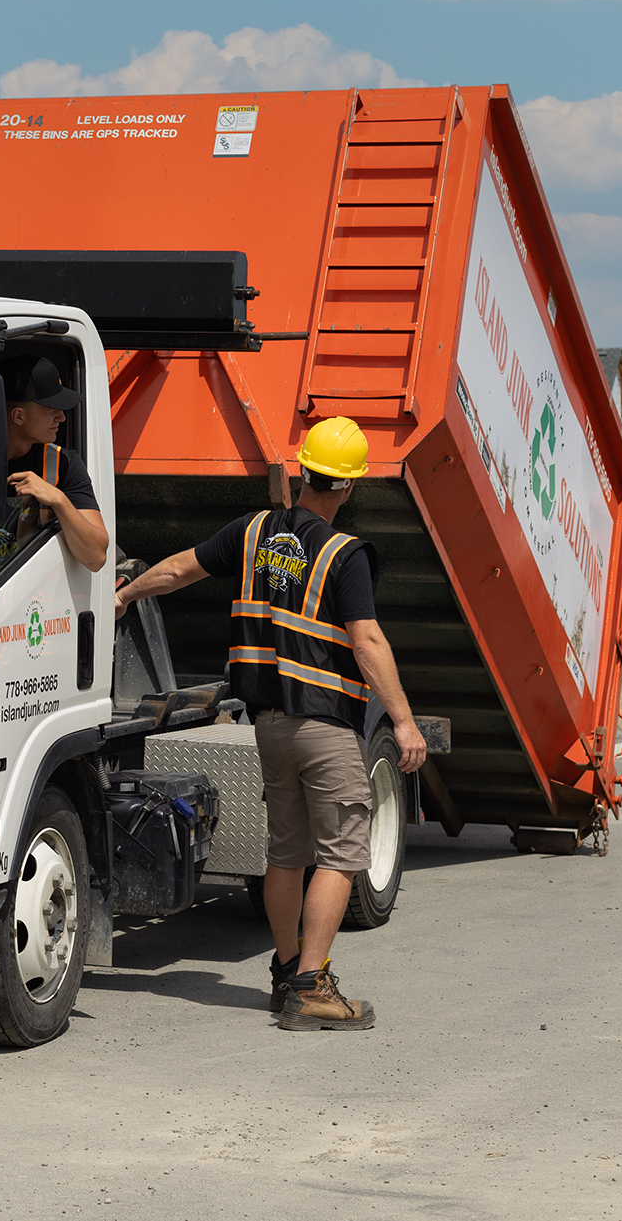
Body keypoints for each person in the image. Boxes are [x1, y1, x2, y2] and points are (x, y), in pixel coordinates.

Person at [115, 416, 427, 1031]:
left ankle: (287, 974)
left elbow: (179, 569)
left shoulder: (253, 531)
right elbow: (366, 639)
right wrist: (405, 721)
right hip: (326, 726)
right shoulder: (346, 554)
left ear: (303, 472)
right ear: (349, 487)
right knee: (341, 853)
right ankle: (312, 988)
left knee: (285, 853)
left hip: (269, 725)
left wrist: (126, 595)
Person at [0, 355, 109, 595]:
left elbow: (96, 557)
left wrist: (58, 500)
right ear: (18, 416)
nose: (62, 417)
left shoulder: (63, 464)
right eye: (52, 410)